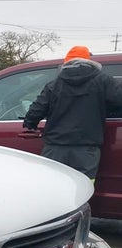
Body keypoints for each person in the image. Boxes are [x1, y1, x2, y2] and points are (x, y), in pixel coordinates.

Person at [22, 45, 122, 180]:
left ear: (67, 62)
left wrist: (30, 124)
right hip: (87, 149)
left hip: (55, 148)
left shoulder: (54, 84)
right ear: (89, 61)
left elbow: (36, 110)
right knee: (83, 187)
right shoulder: (104, 81)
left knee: (53, 185)